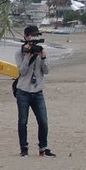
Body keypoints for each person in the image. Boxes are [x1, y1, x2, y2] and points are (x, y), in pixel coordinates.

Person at [15, 24, 54, 157]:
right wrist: (27, 56)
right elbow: (22, 71)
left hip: (38, 91)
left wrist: (42, 57)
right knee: (22, 121)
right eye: (33, 35)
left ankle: (43, 147)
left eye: (37, 35)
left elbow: (47, 71)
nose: (35, 38)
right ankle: (24, 148)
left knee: (43, 121)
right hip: (23, 91)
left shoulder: (41, 51)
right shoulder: (19, 52)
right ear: (26, 36)